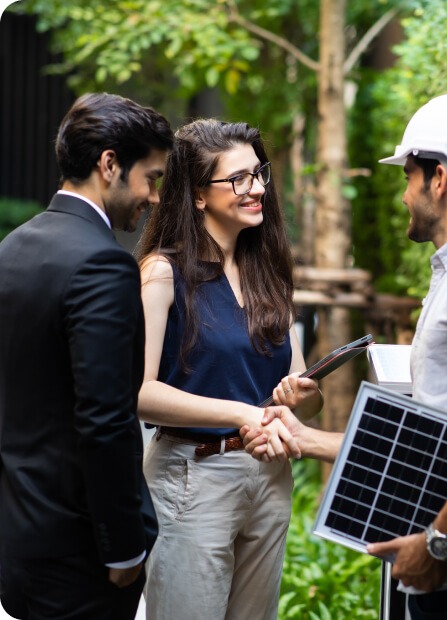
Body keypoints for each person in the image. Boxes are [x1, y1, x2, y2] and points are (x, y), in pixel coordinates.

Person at [242, 93, 447, 619]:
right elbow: (436, 443)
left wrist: (437, 541)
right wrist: (306, 439)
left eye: (408, 178)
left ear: (440, 180)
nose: (403, 196)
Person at [135, 118, 322, 620]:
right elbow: (140, 392)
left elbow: (305, 390)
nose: (257, 187)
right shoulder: (161, 271)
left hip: (269, 476)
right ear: (198, 195)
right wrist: (243, 412)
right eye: (238, 179)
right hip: (191, 475)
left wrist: (299, 394)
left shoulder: (271, 272)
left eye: (258, 174)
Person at [0, 92, 173, 619]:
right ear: (109, 165)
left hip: (18, 537)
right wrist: (122, 545)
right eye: (152, 177)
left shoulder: (13, 247)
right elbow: (104, 419)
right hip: (81, 553)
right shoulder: (101, 264)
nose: (154, 197)